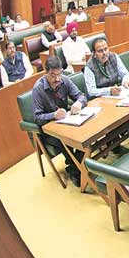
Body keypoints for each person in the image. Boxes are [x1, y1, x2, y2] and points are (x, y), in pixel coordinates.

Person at [33, 56, 87, 186]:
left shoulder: (65, 81)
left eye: (60, 74)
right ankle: (75, 168)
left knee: (85, 132)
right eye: (53, 75)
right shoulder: (38, 89)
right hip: (50, 131)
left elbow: (81, 96)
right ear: (46, 73)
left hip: (66, 123)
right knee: (65, 140)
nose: (57, 79)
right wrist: (53, 115)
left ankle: (78, 164)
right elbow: (37, 117)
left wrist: (79, 103)